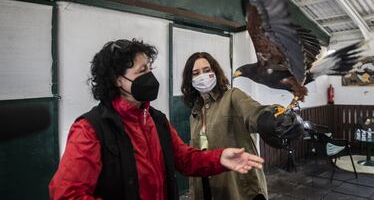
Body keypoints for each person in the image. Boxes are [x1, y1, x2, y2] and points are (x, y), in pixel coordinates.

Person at [49, 39, 265, 200]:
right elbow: (67, 195)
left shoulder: (156, 120)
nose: (150, 77)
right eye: (142, 71)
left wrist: (219, 159)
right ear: (117, 80)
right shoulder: (90, 130)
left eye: (150, 69)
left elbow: (184, 159)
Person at [181, 52, 303, 200]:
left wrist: (269, 119)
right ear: (190, 79)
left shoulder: (233, 97)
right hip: (205, 190)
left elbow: (255, 112)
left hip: (240, 190)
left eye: (207, 71)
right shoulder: (195, 114)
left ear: (215, 72)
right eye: (196, 73)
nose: (202, 76)